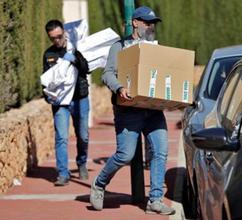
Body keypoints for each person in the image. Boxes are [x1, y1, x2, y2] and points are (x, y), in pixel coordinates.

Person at [90, 6, 176, 215]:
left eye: (153, 22)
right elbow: (107, 73)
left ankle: (155, 200)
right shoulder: (119, 46)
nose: (151, 26)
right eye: (147, 22)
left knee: (160, 151)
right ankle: (99, 184)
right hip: (128, 111)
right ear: (135, 22)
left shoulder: (155, 48)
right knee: (125, 155)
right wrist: (120, 88)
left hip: (153, 110)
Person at [43, 19, 90, 186]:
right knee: (61, 137)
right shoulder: (48, 54)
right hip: (60, 103)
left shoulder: (75, 48)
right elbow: (46, 81)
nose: (57, 40)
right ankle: (63, 173)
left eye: (59, 36)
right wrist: (46, 95)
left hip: (80, 98)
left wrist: (75, 59)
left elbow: (86, 69)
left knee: (83, 135)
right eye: (53, 38)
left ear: (64, 32)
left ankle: (82, 162)